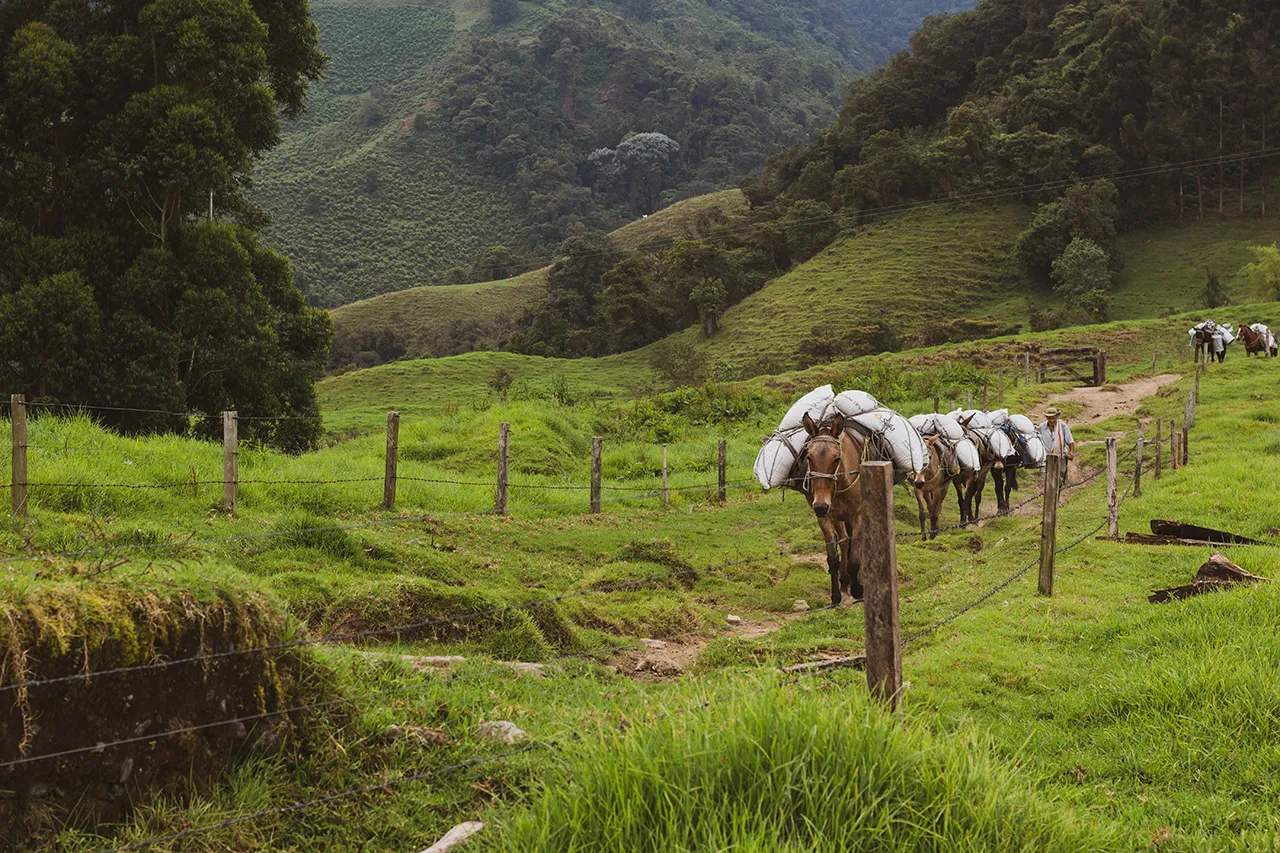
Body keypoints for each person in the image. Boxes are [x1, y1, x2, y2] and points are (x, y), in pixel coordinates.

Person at [1037, 406, 1074, 492]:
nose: (1051, 421)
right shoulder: (1041, 427)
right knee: (1048, 479)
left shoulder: (1063, 426)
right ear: (1046, 418)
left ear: (1057, 417)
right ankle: (1049, 498)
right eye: (1049, 418)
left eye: (1053, 418)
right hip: (1047, 458)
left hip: (1060, 457)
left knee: (1059, 479)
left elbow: (1070, 440)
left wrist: (1071, 451)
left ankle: (1057, 497)